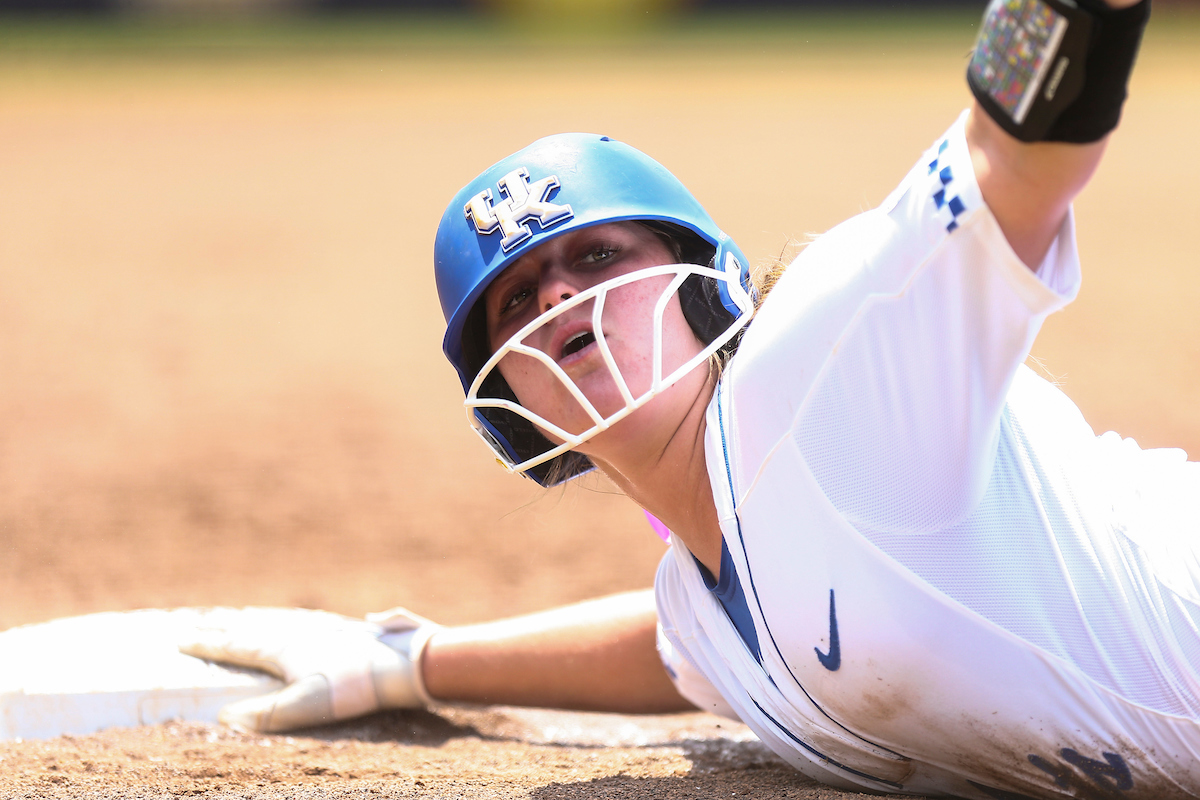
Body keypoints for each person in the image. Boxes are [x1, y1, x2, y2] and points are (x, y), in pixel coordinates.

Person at [182, 0, 1197, 797]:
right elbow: (680, 643)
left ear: (701, 285)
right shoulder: (710, 597)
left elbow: (1006, 160)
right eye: (515, 301)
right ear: (515, 409)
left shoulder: (820, 366)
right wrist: (405, 661)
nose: (559, 298)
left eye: (594, 255)